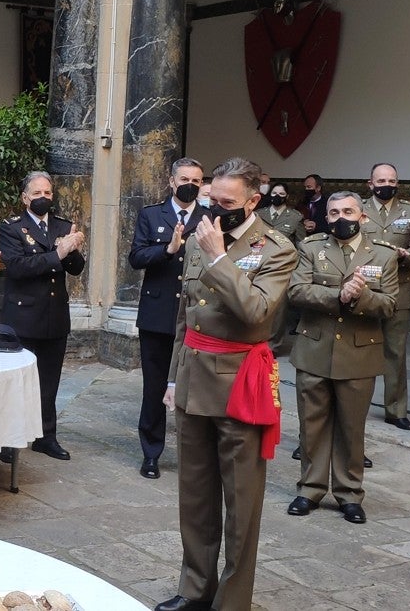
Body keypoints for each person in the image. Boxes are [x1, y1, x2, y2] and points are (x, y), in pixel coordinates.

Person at [155, 157, 297, 611]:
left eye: (226, 202)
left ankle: (232, 601)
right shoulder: (202, 234)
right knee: (194, 497)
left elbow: (256, 312)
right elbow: (185, 316)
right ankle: (195, 589)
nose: (214, 208)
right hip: (195, 379)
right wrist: (175, 377)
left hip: (239, 387)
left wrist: (219, 255)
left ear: (254, 201)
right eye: (210, 199)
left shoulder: (277, 249)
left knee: (240, 504)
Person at [286, 192, 398, 525]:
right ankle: (310, 489)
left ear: (362, 216)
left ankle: (349, 494)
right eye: (333, 212)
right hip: (314, 351)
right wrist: (338, 295)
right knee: (312, 426)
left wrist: (361, 296)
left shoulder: (383, 255)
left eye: (348, 211)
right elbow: (295, 291)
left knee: (351, 429)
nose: (340, 218)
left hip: (358, 353)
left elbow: (389, 304)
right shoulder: (311, 247)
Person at [0, 171, 86, 461]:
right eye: (37, 194)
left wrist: (73, 250)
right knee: (17, 382)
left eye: (48, 193)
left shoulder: (61, 225)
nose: (43, 198)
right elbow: (18, 267)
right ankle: (8, 442)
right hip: (23, 315)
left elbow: (75, 268)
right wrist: (58, 254)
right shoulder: (11, 227)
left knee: (49, 382)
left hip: (54, 315)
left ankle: (46, 437)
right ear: (25, 198)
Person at [128, 157, 204, 479]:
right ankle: (151, 453)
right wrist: (168, 250)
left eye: (197, 181)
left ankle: (195, 456)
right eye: (184, 178)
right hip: (158, 315)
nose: (190, 184)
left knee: (197, 389)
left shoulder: (208, 217)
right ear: (171, 182)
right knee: (154, 387)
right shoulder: (150, 215)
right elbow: (136, 257)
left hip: (195, 315)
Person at [361, 162, 410, 431]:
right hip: (366, 290)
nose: (387, 186)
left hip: (399, 289)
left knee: (395, 352)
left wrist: (409, 255)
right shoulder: (358, 209)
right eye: (381, 181)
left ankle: (396, 410)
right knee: (359, 350)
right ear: (370, 184)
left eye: (392, 181)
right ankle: (355, 407)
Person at [263, 182, 306, 355]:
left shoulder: (295, 217)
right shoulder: (259, 214)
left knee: (279, 309)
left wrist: (297, 270)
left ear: (286, 196)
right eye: (274, 192)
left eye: (281, 193)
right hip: (260, 265)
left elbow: (301, 245)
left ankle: (273, 346)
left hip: (283, 268)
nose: (277, 196)